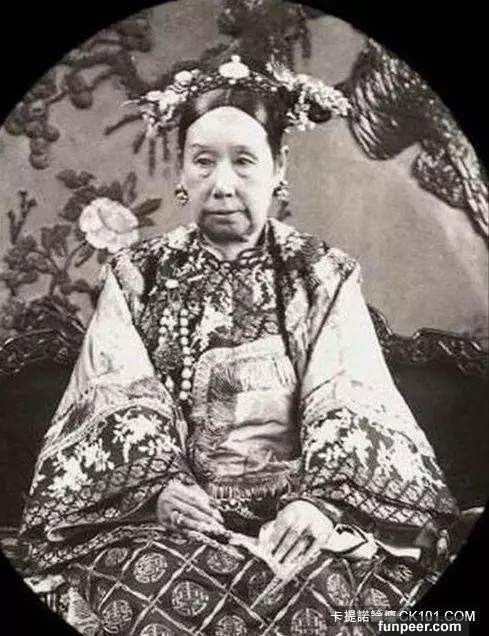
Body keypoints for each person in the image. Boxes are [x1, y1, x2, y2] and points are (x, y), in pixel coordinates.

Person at [19, 56, 459, 636]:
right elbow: (115, 393)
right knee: (151, 583)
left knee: (322, 589)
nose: (222, 184)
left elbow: (349, 396)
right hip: (174, 523)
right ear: (182, 172)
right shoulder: (137, 275)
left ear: (279, 168)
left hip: (296, 514)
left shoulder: (321, 274)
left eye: (244, 161)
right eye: (203, 161)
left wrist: (319, 506)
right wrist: (159, 490)